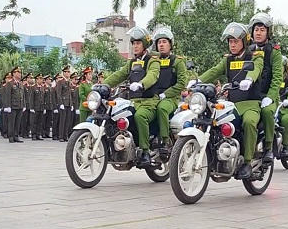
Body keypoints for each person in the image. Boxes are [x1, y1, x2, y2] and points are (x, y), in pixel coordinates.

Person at [194, 22, 265, 179]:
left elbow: (256, 70)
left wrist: (249, 80)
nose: (232, 45)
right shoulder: (227, 60)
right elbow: (214, 71)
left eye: (236, 41)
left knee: (248, 122)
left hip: (251, 104)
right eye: (230, 41)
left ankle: (247, 161)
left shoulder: (255, 57)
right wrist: (197, 80)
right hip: (232, 104)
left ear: (244, 42)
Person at [104, 26, 161, 166]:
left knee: (139, 116)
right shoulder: (131, 62)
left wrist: (141, 84)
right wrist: (103, 85)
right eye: (133, 43)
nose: (135, 46)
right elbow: (119, 75)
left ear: (145, 45)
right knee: (117, 114)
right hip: (133, 101)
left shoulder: (152, 61)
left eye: (138, 43)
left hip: (149, 102)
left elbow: (153, 75)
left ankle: (145, 152)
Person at [248, 12, 283, 163]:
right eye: (256, 29)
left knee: (268, 112)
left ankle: (268, 146)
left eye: (262, 30)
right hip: (250, 95)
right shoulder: (247, 50)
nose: (258, 33)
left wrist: (270, 96)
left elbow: (277, 77)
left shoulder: (274, 51)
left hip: (267, 95)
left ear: (268, 32)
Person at [151, 26, 188, 157]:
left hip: (171, 98)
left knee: (161, 109)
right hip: (153, 97)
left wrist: (166, 94)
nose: (161, 45)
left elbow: (182, 83)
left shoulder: (177, 61)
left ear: (170, 44)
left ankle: (165, 141)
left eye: (164, 42)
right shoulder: (152, 61)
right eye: (159, 42)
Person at [0, 66, 25, 143]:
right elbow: (8, 95)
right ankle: (10, 136)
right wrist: (8, 106)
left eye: (20, 72)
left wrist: (23, 105)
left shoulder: (20, 84)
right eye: (18, 72)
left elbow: (22, 95)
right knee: (11, 122)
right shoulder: (10, 83)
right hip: (12, 106)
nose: (20, 74)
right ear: (14, 73)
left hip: (19, 105)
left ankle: (16, 136)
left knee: (17, 122)